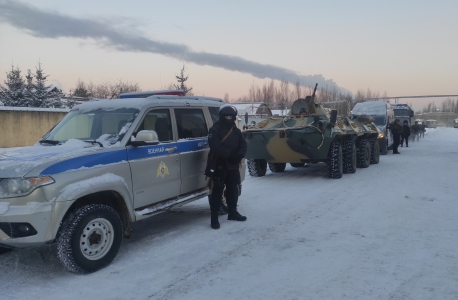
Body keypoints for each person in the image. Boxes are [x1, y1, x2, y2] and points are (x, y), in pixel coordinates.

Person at [208, 105, 247, 229]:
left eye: (231, 116)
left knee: (233, 190)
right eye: (226, 116)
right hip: (220, 164)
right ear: (222, 116)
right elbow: (215, 146)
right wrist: (230, 155)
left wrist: (239, 155)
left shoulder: (236, 131)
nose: (228, 118)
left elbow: (243, 144)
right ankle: (214, 218)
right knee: (217, 191)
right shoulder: (215, 129)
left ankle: (233, 213)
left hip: (233, 165)